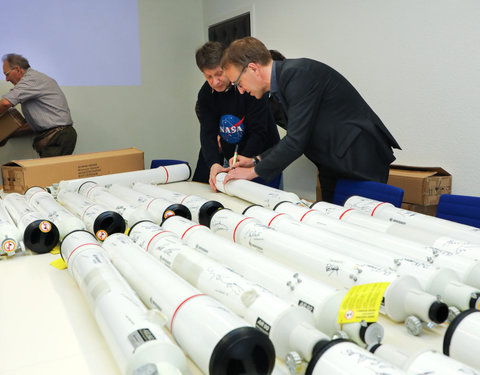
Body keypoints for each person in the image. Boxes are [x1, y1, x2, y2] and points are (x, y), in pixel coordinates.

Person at [220, 37, 401, 202]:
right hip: (332, 162)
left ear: (252, 68)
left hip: (359, 158)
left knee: (363, 228)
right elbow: (297, 135)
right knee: (332, 222)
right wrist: (256, 160)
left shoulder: (298, 75)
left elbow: (295, 141)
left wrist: (252, 172)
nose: (241, 90)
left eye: (238, 83)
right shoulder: (281, 86)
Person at [193, 41, 280, 191]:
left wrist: (245, 161)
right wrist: (214, 163)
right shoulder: (206, 94)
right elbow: (207, 133)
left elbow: (259, 131)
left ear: (228, 66)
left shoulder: (248, 85)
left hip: (262, 154)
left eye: (219, 74)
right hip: (233, 157)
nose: (215, 81)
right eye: (209, 77)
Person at [0, 54, 77, 157]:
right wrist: (7, 133)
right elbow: (36, 125)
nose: (6, 79)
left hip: (57, 137)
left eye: (7, 74)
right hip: (57, 136)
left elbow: (5, 103)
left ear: (18, 69)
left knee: (50, 173)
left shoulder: (30, 80)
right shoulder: (34, 81)